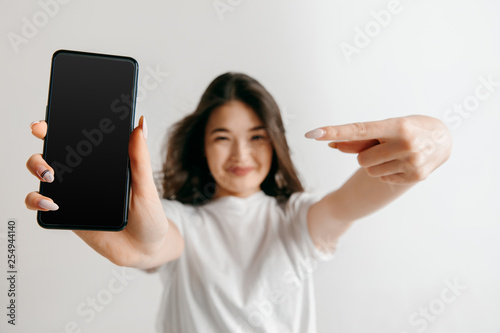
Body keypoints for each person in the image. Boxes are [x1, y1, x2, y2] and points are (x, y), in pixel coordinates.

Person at [25, 72, 452, 332]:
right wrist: (141, 243)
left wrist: (436, 141)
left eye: (256, 137)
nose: (240, 156)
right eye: (222, 138)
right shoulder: (180, 222)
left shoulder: (298, 219)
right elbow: (156, 241)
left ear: (274, 142)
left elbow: (357, 196)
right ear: (201, 148)